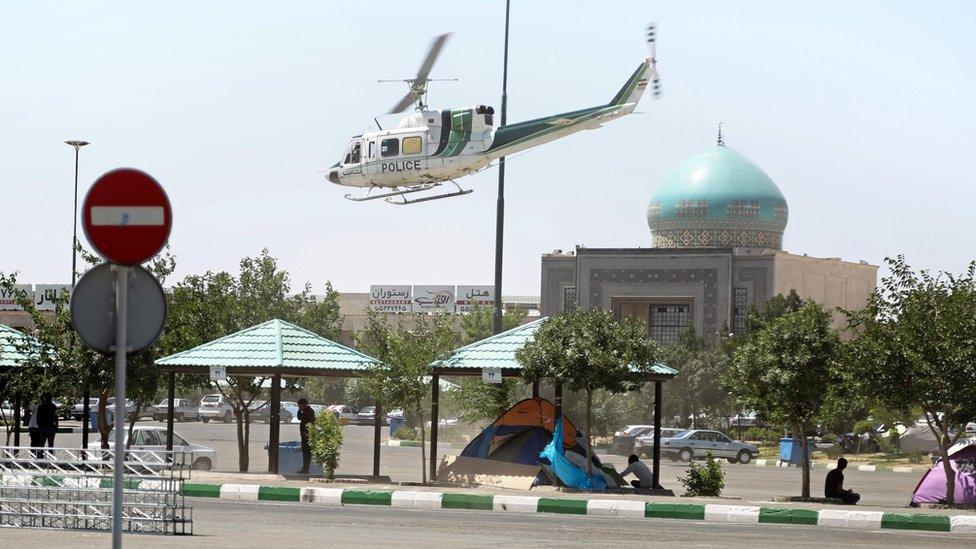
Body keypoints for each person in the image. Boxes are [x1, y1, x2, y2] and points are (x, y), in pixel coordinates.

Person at [297, 398, 316, 475]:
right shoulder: (305, 411)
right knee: (305, 452)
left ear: (303, 404)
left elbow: (311, 422)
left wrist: (306, 432)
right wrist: (299, 411)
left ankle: (306, 469)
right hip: (305, 434)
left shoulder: (309, 411)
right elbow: (299, 418)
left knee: (307, 452)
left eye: (299, 406)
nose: (299, 407)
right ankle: (305, 468)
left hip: (307, 435)